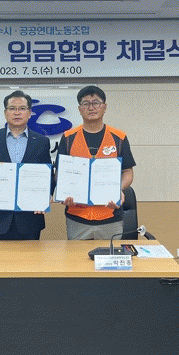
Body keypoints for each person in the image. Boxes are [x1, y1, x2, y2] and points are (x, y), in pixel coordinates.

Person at [56, 85, 136, 240]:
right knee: (77, 256)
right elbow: (60, 172)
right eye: (86, 103)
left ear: (104, 107)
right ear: (80, 109)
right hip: (77, 216)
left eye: (96, 103)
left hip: (110, 215)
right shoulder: (68, 137)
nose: (91, 107)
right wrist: (64, 191)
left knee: (109, 255)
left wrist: (118, 189)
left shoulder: (119, 137)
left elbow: (128, 172)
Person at [0, 90, 52, 240]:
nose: (17, 113)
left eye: (22, 108)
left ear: (29, 113)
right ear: (5, 113)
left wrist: (45, 195)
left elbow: (47, 174)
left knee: (30, 256)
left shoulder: (41, 141)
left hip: (30, 219)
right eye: (12, 108)